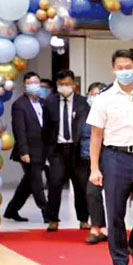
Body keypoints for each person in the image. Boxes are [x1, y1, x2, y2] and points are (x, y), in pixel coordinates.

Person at [87, 49, 133, 265]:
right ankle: (120, 261)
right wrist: (94, 167)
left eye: (128, 67)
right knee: (115, 211)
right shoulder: (104, 98)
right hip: (114, 157)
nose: (124, 71)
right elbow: (96, 134)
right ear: (113, 69)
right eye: (120, 67)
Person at [42, 69, 89, 231]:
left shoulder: (83, 102)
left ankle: (84, 219)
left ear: (74, 85)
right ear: (57, 85)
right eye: (61, 84)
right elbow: (46, 129)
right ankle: (53, 219)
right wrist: (47, 152)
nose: (64, 87)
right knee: (54, 185)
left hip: (78, 150)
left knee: (81, 186)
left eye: (67, 84)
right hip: (57, 150)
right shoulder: (50, 102)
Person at [4, 72, 48, 222]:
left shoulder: (43, 102)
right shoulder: (19, 105)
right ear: (25, 84)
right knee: (36, 181)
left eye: (36, 82)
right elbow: (19, 130)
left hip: (43, 149)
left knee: (28, 183)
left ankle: (11, 210)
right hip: (28, 150)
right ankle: (46, 212)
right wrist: (24, 151)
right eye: (30, 83)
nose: (34, 85)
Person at [81, 82, 107, 243]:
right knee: (92, 193)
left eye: (98, 94)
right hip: (87, 159)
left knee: (112, 195)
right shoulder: (83, 113)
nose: (94, 97)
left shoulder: (108, 112)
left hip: (109, 157)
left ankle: (107, 228)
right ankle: (96, 227)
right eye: (92, 93)